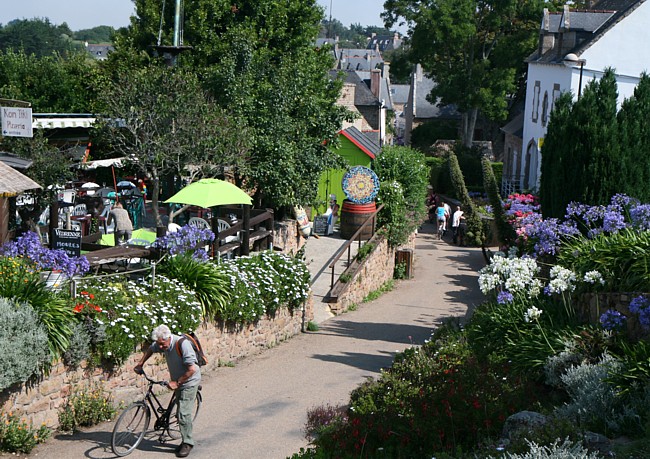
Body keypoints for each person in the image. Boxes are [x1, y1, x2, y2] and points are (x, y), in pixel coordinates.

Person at [135, 325, 201, 458]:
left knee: (182, 415)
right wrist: (141, 363)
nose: (160, 347)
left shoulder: (183, 345)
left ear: (168, 338)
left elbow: (192, 369)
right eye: (158, 344)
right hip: (178, 379)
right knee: (178, 410)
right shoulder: (161, 343)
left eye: (162, 344)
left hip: (189, 381)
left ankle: (187, 442)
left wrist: (177, 382)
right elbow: (151, 348)